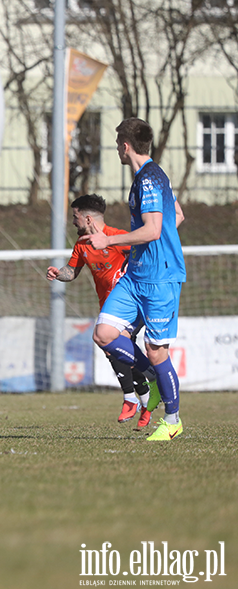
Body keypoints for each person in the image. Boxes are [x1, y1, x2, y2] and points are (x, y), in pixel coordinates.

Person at [81, 118, 186, 441]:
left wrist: (109, 241)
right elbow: (177, 216)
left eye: (116, 145)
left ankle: (172, 420)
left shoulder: (150, 181)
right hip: (136, 275)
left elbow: (154, 230)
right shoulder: (149, 177)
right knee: (105, 333)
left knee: (156, 350)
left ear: (125, 146)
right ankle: (152, 380)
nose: (116, 150)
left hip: (159, 279)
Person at [46, 194, 158, 425]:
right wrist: (59, 274)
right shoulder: (82, 245)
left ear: (88, 218)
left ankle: (132, 398)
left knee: (116, 342)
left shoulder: (118, 238)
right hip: (108, 306)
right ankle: (146, 398)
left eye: (75, 217)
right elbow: (72, 271)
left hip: (131, 304)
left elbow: (146, 253)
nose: (73, 222)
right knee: (114, 351)